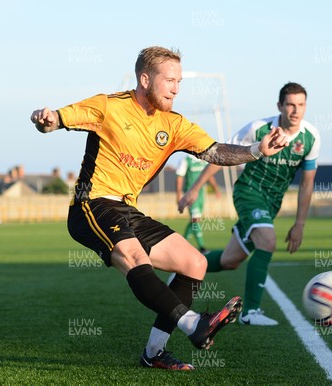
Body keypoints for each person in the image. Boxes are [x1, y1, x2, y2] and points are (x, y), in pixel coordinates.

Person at [30, 46, 289, 370]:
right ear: (144, 79)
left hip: (127, 209)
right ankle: (194, 323)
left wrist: (256, 150)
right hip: (92, 203)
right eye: (169, 80)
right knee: (136, 259)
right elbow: (56, 120)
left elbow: (215, 151)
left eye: (179, 81)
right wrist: (46, 119)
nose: (176, 88)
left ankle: (154, 354)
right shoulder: (109, 106)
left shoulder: (175, 124)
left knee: (194, 263)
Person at [178, 82, 320, 326]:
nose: (296, 111)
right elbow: (219, 154)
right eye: (290, 105)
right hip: (248, 193)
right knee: (267, 239)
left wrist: (300, 224)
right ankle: (250, 312)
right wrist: (195, 188)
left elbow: (307, 185)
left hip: (271, 204)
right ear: (280, 106)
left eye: (301, 105)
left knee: (230, 260)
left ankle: (181, 267)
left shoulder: (311, 138)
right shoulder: (258, 128)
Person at [175, 155, 221, 253]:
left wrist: (216, 189)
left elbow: (209, 174)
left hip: (201, 195)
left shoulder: (203, 160)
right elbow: (180, 177)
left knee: (194, 220)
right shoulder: (185, 160)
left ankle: (182, 244)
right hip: (190, 195)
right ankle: (202, 247)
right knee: (196, 219)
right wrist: (178, 195)